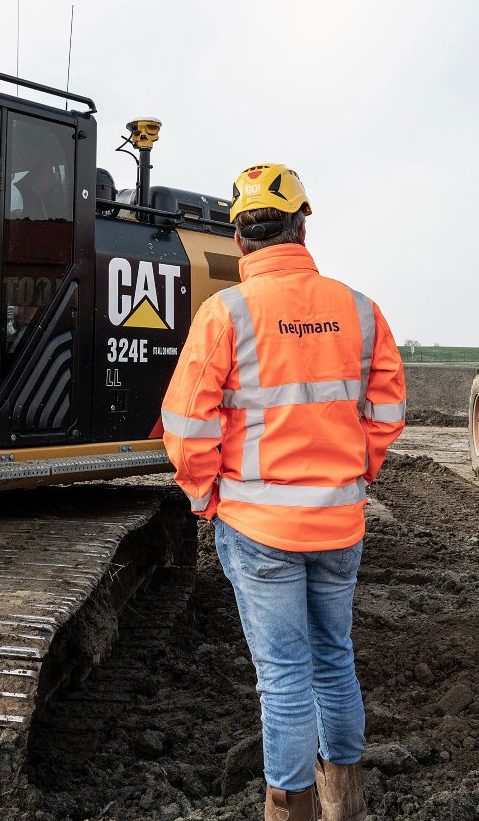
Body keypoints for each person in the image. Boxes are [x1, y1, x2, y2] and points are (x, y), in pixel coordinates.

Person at [160, 163, 406, 821]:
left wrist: (206, 496)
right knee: (333, 660)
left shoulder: (226, 313)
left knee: (285, 679)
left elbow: (185, 426)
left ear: (239, 239)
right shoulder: (359, 308)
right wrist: (355, 476)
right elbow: (386, 412)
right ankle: (344, 804)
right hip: (339, 524)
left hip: (257, 527)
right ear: (302, 225)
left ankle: (289, 811)